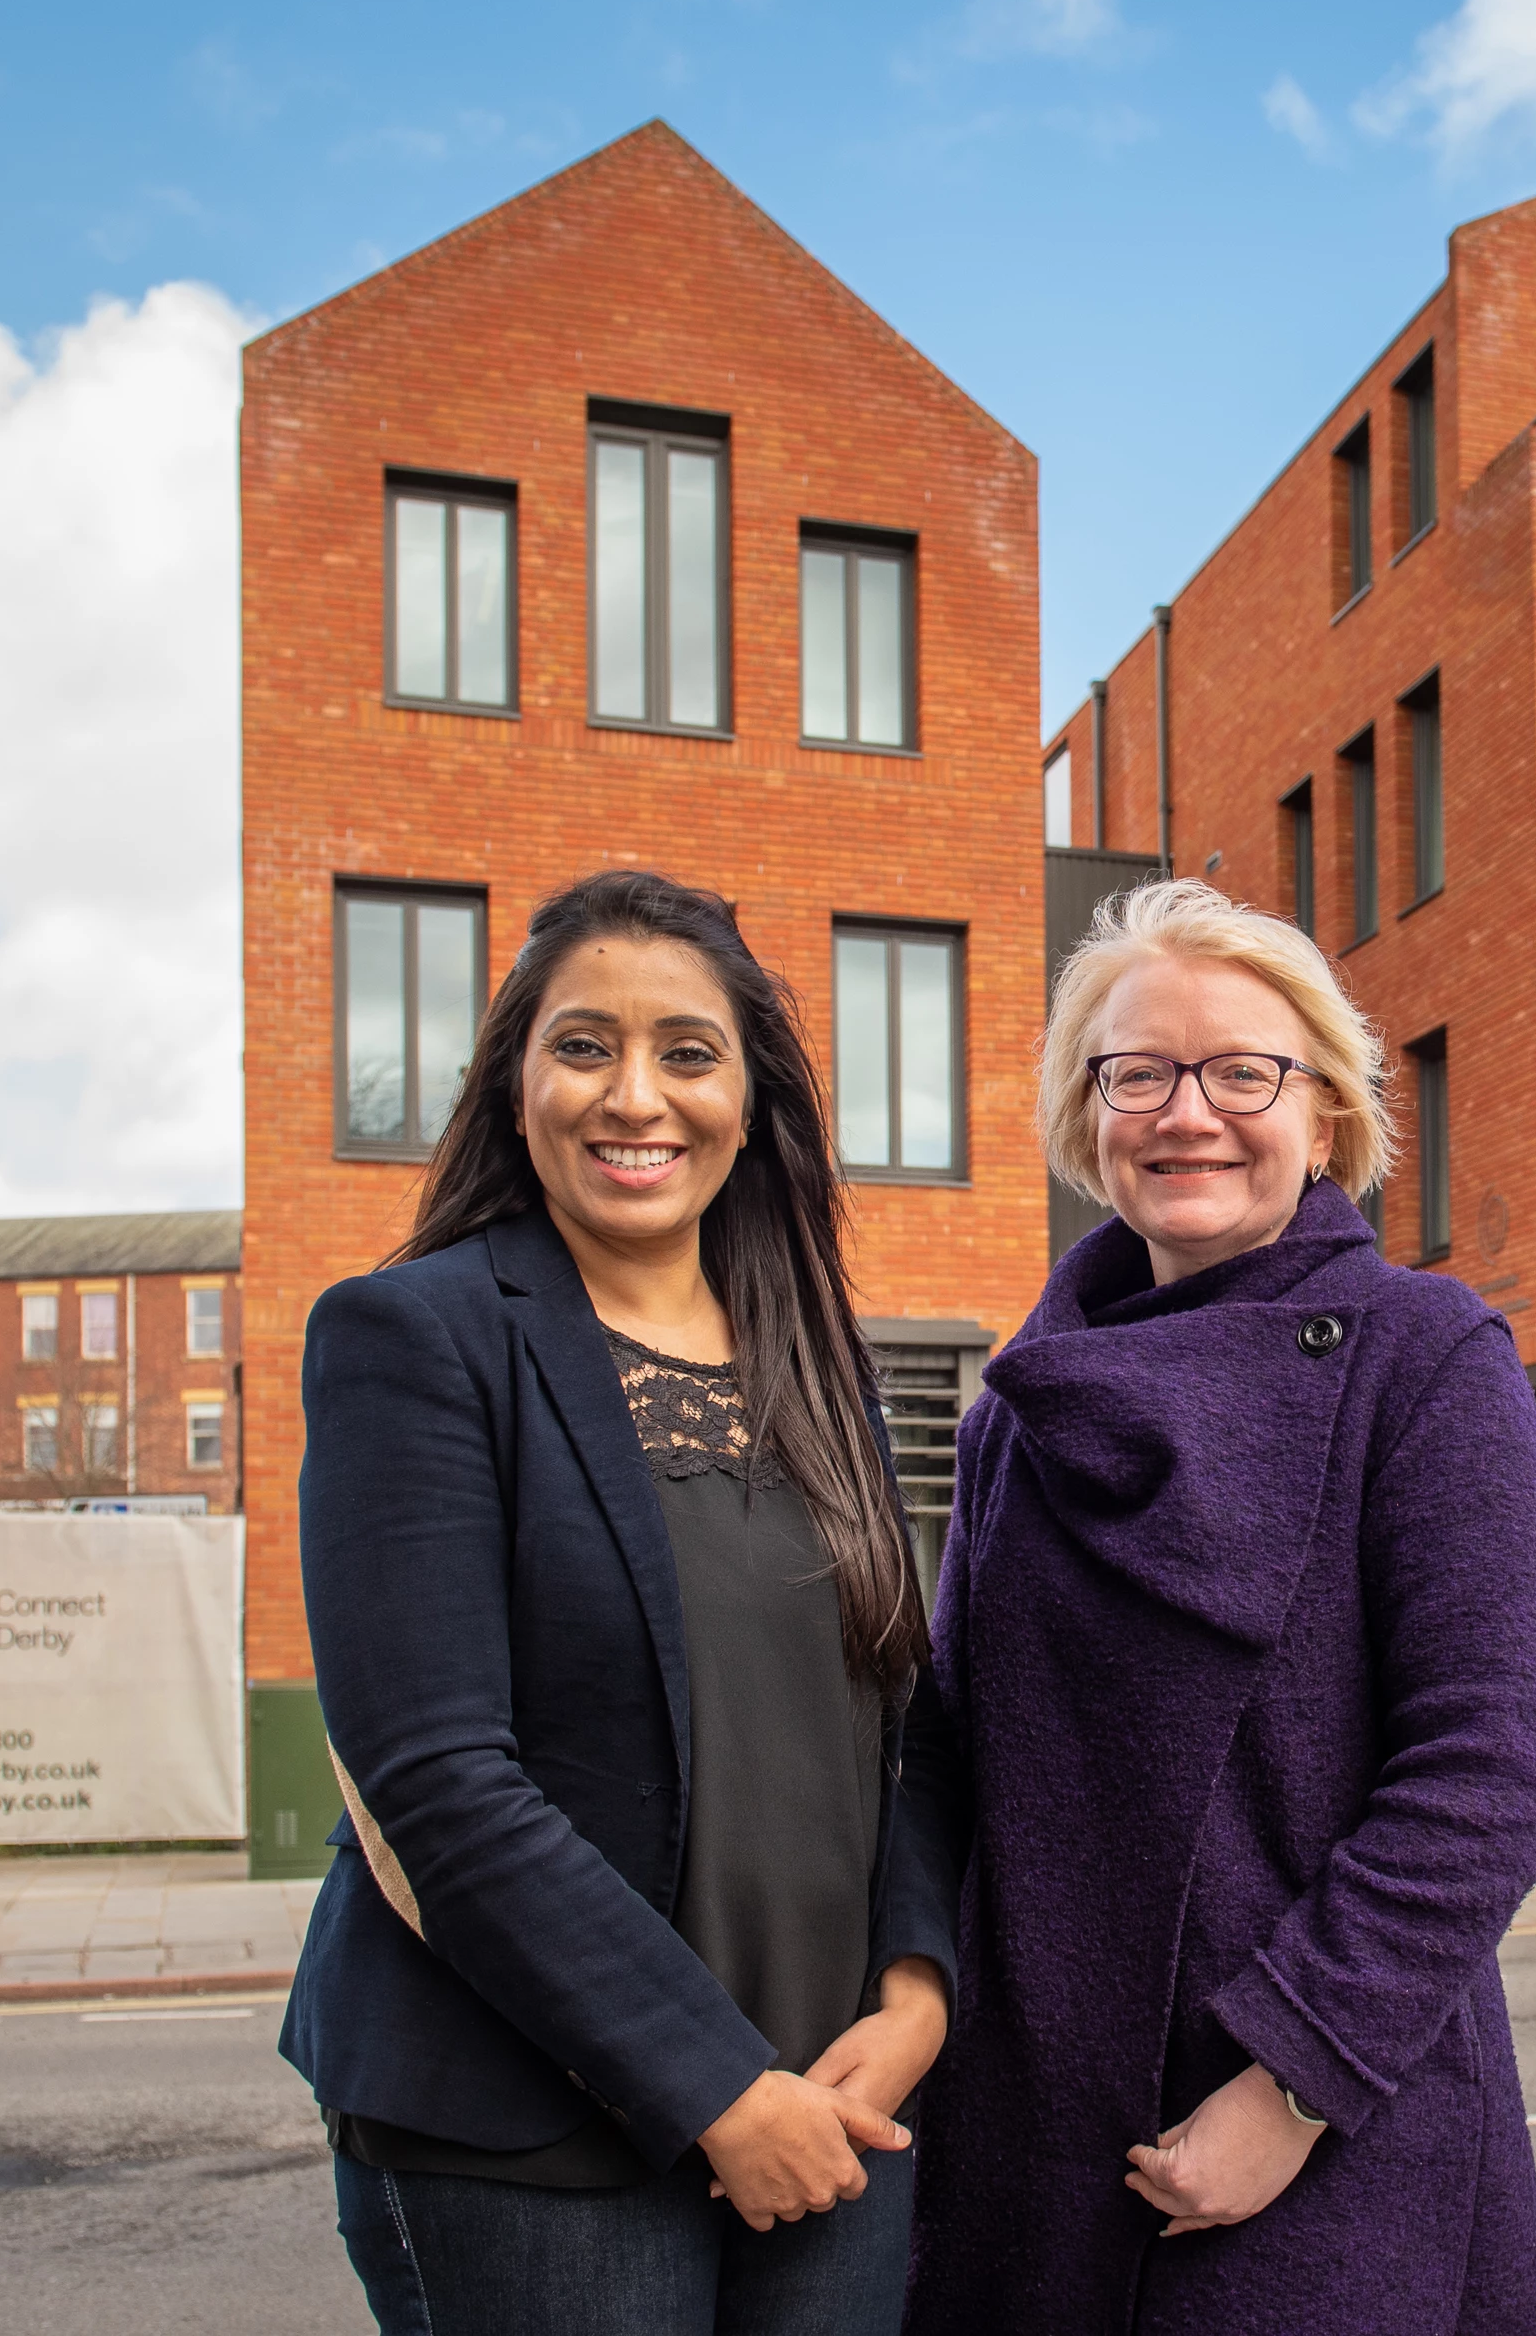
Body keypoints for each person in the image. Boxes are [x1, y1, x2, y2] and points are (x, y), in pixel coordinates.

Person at [285, 869, 962, 2335]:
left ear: (752, 1097)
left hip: (836, 2103)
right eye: (583, 1044)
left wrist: (917, 1998)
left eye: (688, 1051)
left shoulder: (815, 1354)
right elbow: (436, 1779)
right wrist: (712, 2084)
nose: (634, 1095)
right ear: (515, 1084)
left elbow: (902, 1708)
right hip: (538, 2137)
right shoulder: (413, 1337)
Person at [908, 881, 1536, 2336]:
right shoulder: (1017, 1409)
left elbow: (1489, 1774)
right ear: (1089, 1121)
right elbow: (953, 1756)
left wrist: (1293, 2079)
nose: (1185, 1111)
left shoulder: (1426, 1358)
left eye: (1243, 1072)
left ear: (1325, 1115)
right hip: (1026, 2140)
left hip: (1313, 2128)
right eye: (1136, 1071)